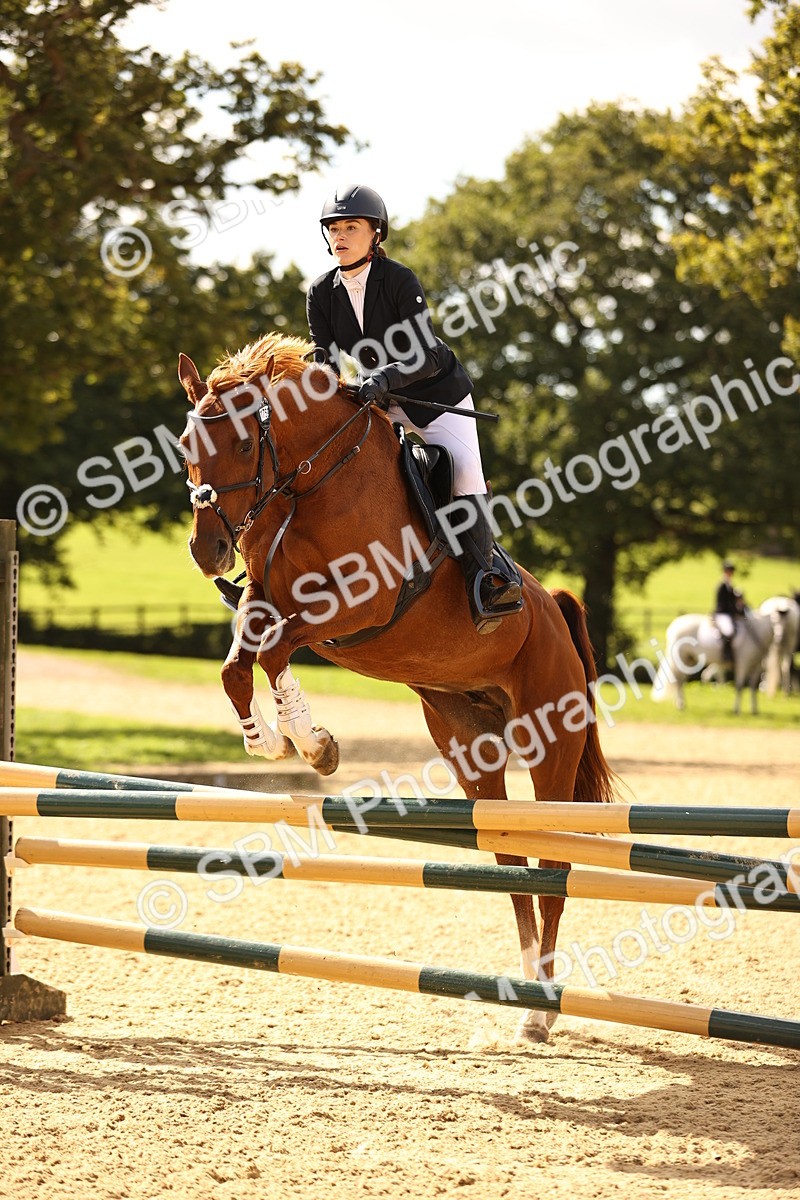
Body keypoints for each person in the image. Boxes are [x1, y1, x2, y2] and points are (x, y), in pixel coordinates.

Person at [306, 183, 522, 634]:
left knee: (464, 475)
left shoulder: (399, 279)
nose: (340, 236)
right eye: (334, 228)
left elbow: (425, 353)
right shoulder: (321, 292)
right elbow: (324, 358)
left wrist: (383, 378)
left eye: (351, 227)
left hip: (435, 396)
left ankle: (487, 580)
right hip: (379, 399)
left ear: (375, 234)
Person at [713, 560, 744, 672]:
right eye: (728, 571)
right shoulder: (722, 586)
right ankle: (726, 655)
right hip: (722, 614)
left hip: (729, 614)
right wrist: (733, 610)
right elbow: (722, 604)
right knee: (728, 630)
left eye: (731, 571)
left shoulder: (730, 585)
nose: (730, 573)